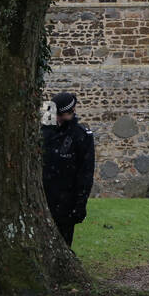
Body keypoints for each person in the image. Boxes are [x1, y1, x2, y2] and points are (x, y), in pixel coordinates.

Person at [41, 91, 95, 248]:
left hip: (66, 198)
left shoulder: (80, 135)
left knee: (63, 242)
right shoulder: (44, 132)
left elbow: (85, 173)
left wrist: (80, 203)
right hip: (45, 195)